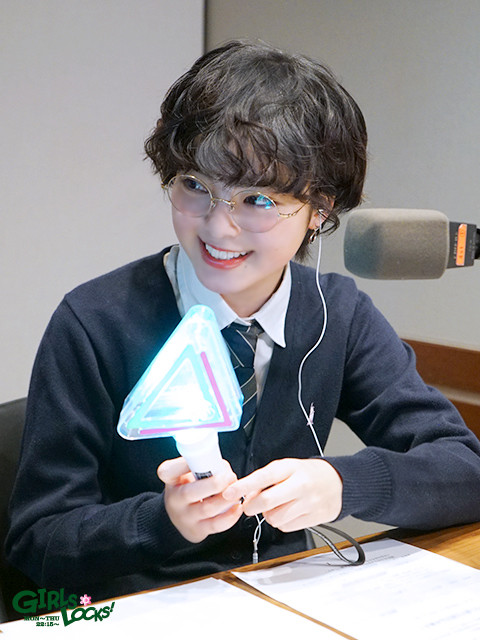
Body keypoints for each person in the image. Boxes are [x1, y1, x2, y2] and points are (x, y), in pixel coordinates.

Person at [6, 40, 480, 602]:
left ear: (318, 210)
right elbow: (39, 542)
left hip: (289, 601)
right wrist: (163, 520)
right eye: (195, 186)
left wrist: (342, 483)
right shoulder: (94, 323)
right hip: (139, 609)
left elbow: (464, 471)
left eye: (257, 200)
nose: (217, 227)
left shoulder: (338, 314)